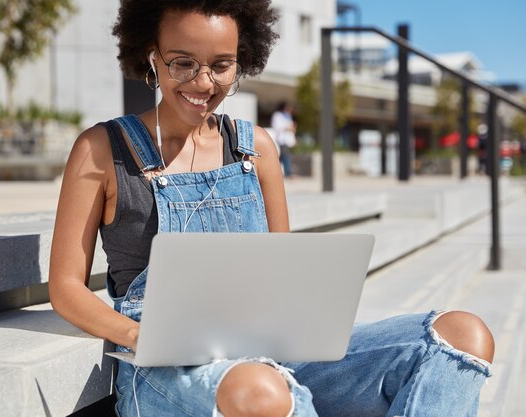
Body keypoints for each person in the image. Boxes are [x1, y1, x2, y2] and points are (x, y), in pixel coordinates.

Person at [48, 1, 495, 416]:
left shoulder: (256, 148)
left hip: (269, 352)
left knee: (461, 337)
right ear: (152, 57)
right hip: (166, 367)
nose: (204, 83)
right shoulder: (101, 149)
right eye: (182, 63)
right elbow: (66, 287)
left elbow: (282, 277)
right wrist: (139, 336)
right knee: (261, 390)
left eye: (221, 66)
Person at [271, 101, 297, 178]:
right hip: (282, 140)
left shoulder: (288, 116)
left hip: (288, 140)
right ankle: (288, 173)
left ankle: (274, 172)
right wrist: (288, 128)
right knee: (286, 156)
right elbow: (277, 127)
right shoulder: (277, 115)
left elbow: (291, 129)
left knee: (281, 157)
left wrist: (294, 140)